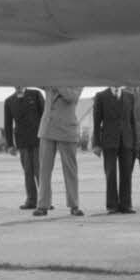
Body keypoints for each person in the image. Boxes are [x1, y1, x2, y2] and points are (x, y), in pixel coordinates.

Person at [34, 86, 84, 217]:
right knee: (44, 170)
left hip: (66, 129)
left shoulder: (77, 79)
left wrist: (58, 84)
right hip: (47, 128)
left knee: (70, 170)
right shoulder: (51, 76)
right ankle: (42, 205)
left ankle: (74, 205)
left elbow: (72, 97)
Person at [92, 86, 137, 213]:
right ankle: (112, 205)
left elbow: (132, 122)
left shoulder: (130, 96)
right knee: (110, 173)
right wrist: (96, 143)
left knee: (127, 173)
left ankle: (126, 205)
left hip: (127, 140)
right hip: (109, 140)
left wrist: (135, 143)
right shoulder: (101, 96)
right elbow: (96, 122)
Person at [3, 86, 45, 210]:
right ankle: (31, 200)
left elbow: (45, 116)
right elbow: (8, 124)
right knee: (28, 172)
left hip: (39, 140)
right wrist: (10, 144)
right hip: (22, 142)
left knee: (40, 172)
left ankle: (45, 201)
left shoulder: (36, 94)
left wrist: (48, 137)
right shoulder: (9, 101)